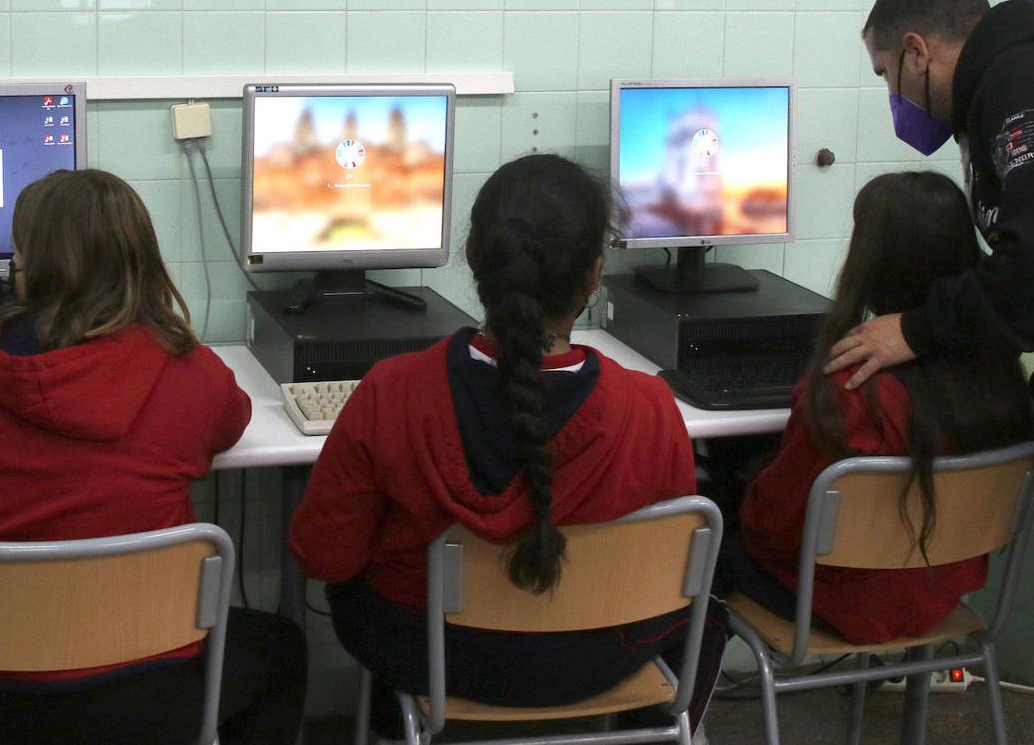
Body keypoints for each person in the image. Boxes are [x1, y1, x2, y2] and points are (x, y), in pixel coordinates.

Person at [290, 154, 727, 741]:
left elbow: (325, 556)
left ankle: (397, 725)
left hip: (430, 656)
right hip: (596, 657)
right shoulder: (648, 407)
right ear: (594, 275)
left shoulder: (392, 392)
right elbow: (668, 559)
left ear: (472, 255)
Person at [0, 169, 306, 745]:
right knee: (283, 648)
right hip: (156, 693)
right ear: (143, 260)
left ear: (29, 263)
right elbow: (232, 422)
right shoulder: (189, 372)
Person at [724, 172, 1034, 643]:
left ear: (870, 261)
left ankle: (683, 703)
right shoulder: (1000, 373)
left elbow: (774, 529)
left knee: (701, 525)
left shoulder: (850, 389)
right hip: (941, 595)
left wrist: (743, 487)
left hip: (838, 603)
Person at [829, 0, 1034, 406]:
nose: (892, 93)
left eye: (885, 74)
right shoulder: (998, 85)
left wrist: (916, 330)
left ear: (916, 52)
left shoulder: (1023, 83)